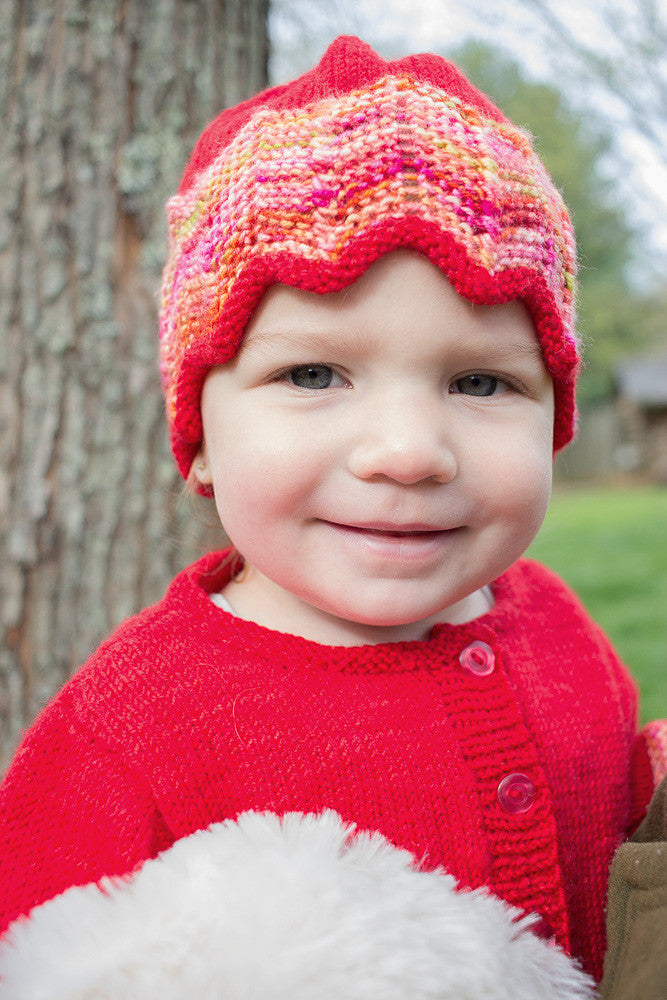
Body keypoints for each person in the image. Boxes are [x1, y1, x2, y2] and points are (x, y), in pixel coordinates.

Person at [0, 35, 662, 989]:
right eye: (312, 373)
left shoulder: (562, 631)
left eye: (480, 381)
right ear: (199, 437)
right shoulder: (128, 735)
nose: (406, 451)